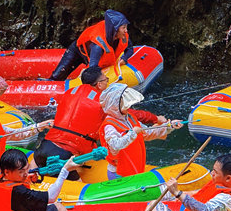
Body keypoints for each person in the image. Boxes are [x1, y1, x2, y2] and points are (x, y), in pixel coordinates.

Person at [32, 66, 170, 178]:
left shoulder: (69, 93)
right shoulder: (103, 103)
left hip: (43, 148)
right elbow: (130, 114)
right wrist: (156, 119)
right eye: (106, 80)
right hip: (64, 157)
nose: (107, 82)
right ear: (99, 84)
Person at [99, 83, 183, 180]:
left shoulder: (130, 118)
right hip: (119, 173)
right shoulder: (109, 126)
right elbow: (115, 146)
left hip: (133, 169)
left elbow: (149, 132)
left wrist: (169, 126)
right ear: (115, 105)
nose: (129, 107)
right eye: (125, 104)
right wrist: (133, 133)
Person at [49, 9, 134, 81]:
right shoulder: (98, 46)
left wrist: (124, 58)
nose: (126, 30)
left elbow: (130, 49)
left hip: (92, 55)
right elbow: (92, 70)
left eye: (126, 27)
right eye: (123, 28)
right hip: (77, 52)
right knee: (56, 77)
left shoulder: (123, 36)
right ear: (115, 30)